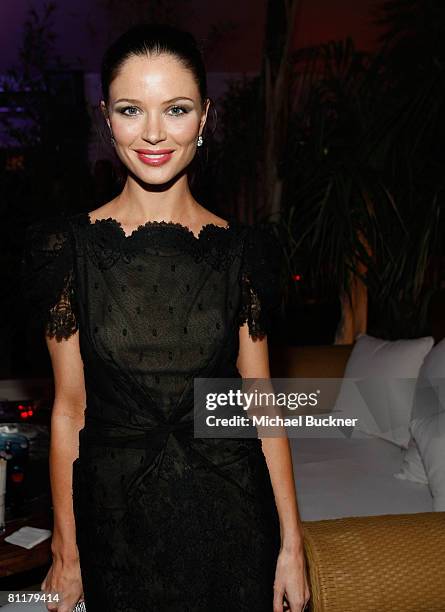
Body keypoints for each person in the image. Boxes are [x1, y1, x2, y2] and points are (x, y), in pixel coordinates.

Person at [21, 23, 310, 612]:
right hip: (116, 527)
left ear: (204, 117)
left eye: (175, 109)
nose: (153, 133)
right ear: (107, 118)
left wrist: (292, 543)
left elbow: (259, 402)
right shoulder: (67, 252)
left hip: (232, 519)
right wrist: (66, 553)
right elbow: (69, 409)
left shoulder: (242, 252)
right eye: (132, 109)